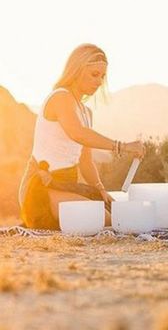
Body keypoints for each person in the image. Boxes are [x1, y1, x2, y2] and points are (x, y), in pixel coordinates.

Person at [19, 44, 144, 230]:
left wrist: (101, 189)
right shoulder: (60, 97)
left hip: (67, 186)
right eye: (95, 74)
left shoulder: (86, 112)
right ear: (77, 70)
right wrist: (123, 146)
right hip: (41, 188)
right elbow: (78, 134)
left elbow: (85, 161)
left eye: (102, 76)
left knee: (115, 212)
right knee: (108, 219)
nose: (99, 81)